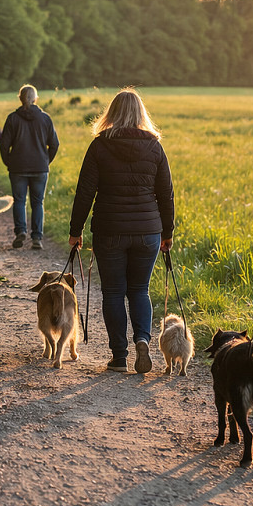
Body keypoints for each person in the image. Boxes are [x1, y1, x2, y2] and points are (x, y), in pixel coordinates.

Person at [68, 88, 174, 374]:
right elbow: (166, 194)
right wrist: (168, 233)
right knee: (140, 290)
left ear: (111, 113)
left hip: (110, 229)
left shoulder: (100, 145)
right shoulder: (154, 147)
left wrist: (75, 231)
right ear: (141, 113)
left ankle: (119, 356)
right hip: (148, 230)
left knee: (113, 292)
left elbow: (84, 192)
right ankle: (142, 339)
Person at [0, 85, 59, 250]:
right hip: (40, 167)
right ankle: (37, 238)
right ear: (35, 99)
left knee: (19, 200)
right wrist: (46, 161)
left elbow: (4, 145)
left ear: (20, 98)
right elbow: (54, 144)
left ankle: (21, 232)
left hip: (17, 167)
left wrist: (8, 162)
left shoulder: (12, 118)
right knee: (37, 202)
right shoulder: (45, 119)